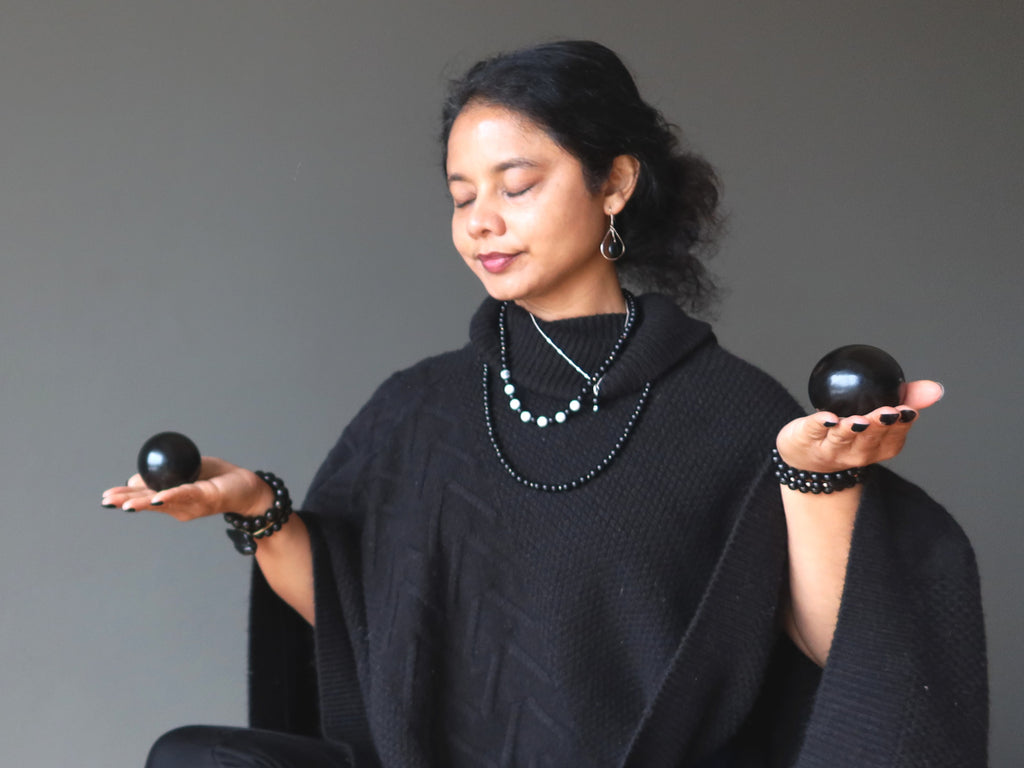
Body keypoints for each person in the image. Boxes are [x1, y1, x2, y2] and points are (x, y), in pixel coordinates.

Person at [102, 40, 987, 767]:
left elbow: (847, 653)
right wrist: (255, 508)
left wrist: (810, 478)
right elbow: (356, 623)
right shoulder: (417, 412)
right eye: (461, 197)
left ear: (614, 184)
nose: (482, 220)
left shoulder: (727, 414)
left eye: (516, 186)